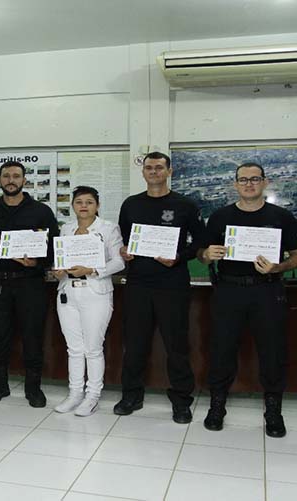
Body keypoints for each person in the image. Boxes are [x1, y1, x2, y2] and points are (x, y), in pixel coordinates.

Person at [197, 162, 297, 437]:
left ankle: (273, 411)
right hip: (229, 291)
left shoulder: (282, 217)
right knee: (221, 349)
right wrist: (208, 255)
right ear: (235, 184)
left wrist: (278, 267)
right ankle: (217, 406)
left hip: (267, 290)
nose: (249, 184)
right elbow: (201, 253)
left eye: (254, 179)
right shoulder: (220, 217)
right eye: (243, 180)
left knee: (272, 351)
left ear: (265, 182)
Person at [115, 151, 204, 422]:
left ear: (169, 171)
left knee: (176, 344)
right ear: (143, 172)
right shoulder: (131, 204)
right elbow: (124, 239)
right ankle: (131, 394)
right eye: (149, 168)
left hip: (172, 283)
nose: (153, 172)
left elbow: (198, 243)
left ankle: (181, 399)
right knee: (135, 342)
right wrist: (124, 251)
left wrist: (180, 256)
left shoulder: (185, 204)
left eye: (159, 167)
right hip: (138, 283)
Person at [0, 160, 59, 407]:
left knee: (33, 337)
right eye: (6, 176)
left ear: (24, 180)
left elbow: (54, 248)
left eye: (16, 176)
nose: (11, 180)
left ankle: (33, 388)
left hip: (30, 285)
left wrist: (37, 263)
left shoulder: (41, 212)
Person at [53, 186, 124, 416]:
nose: (84, 206)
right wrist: (58, 270)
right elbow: (61, 259)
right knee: (74, 348)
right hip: (67, 292)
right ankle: (75, 394)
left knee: (93, 348)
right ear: (72, 205)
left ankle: (92, 395)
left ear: (97, 205)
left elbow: (119, 263)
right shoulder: (66, 228)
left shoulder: (109, 228)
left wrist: (92, 269)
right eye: (79, 202)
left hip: (95, 292)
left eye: (89, 202)